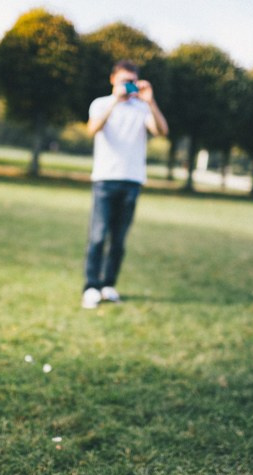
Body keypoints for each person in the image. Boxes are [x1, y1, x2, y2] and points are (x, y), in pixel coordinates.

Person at [82, 60, 168, 309]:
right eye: (124, 81)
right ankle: (91, 287)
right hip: (105, 179)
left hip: (132, 181)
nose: (128, 86)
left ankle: (108, 285)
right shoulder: (100, 104)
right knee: (98, 237)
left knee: (118, 240)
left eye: (132, 81)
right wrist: (115, 102)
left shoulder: (142, 108)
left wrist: (150, 101)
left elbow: (161, 131)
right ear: (113, 80)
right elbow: (92, 129)